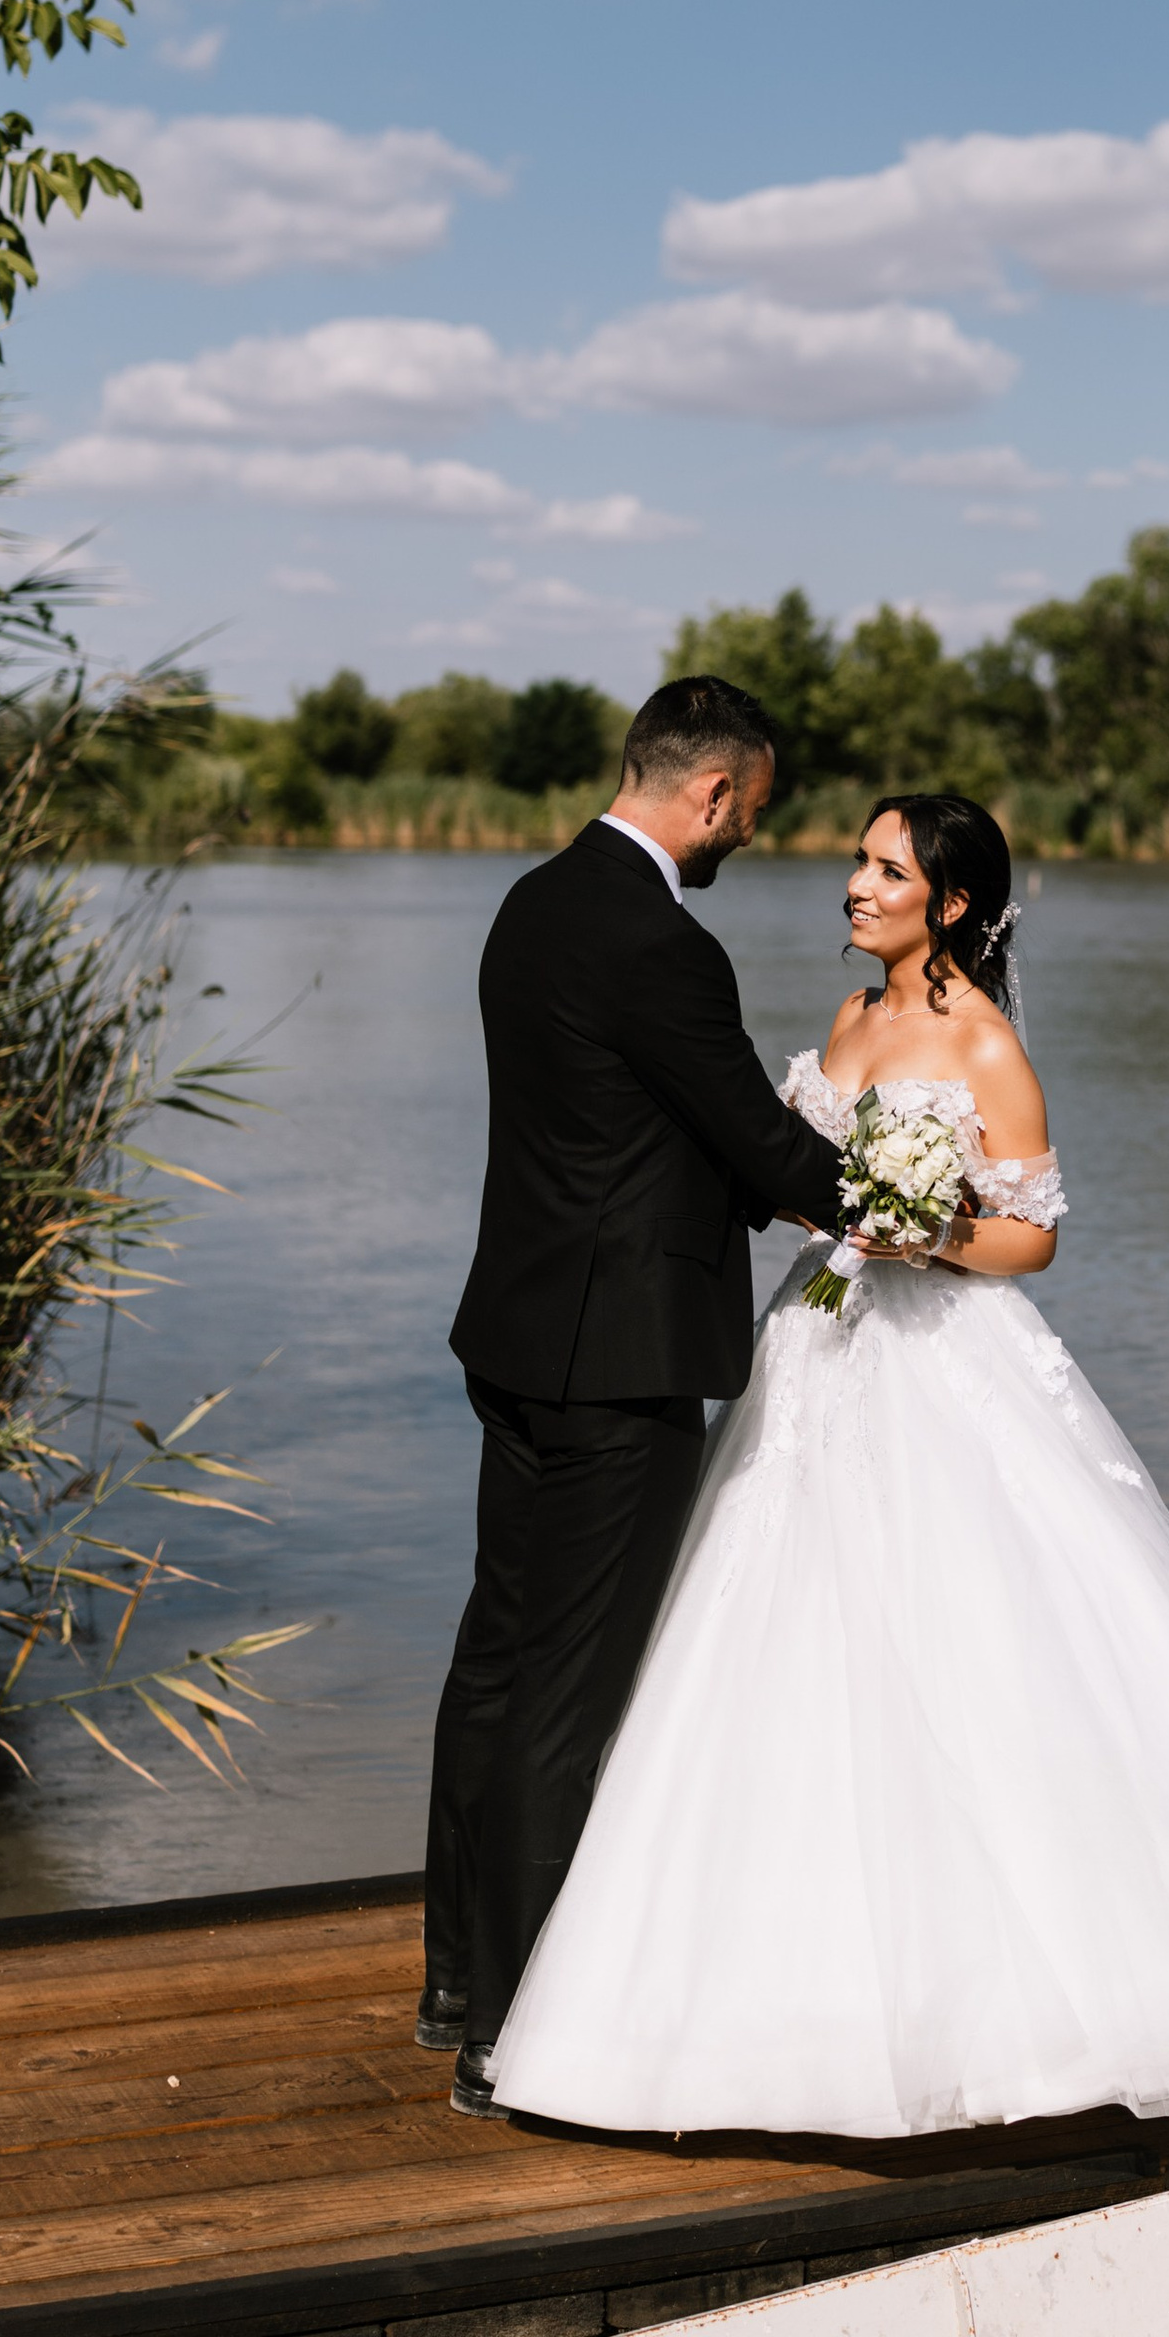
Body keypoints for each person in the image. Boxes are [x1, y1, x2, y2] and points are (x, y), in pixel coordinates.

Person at [488, 790, 1169, 2138]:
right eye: (857, 859)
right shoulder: (850, 1023)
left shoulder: (985, 1042)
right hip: (820, 1353)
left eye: (886, 868)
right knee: (776, 1644)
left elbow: (1031, 1236)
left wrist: (921, 1227)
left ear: (948, 902)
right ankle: (754, 2002)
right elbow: (785, 1169)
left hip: (938, 1360)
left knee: (969, 1645)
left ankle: (1018, 2012)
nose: (854, 882)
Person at [424, 674, 847, 2120]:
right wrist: (905, 1201)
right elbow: (753, 1139)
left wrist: (771, 1180)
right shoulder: (665, 942)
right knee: (568, 1694)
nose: (749, 837)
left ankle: (451, 1981)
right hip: (625, 1365)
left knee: (494, 1661)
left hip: (520, 1341)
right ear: (715, 789)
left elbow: (628, 1127)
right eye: (756, 809)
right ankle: (517, 2032)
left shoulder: (530, 905)